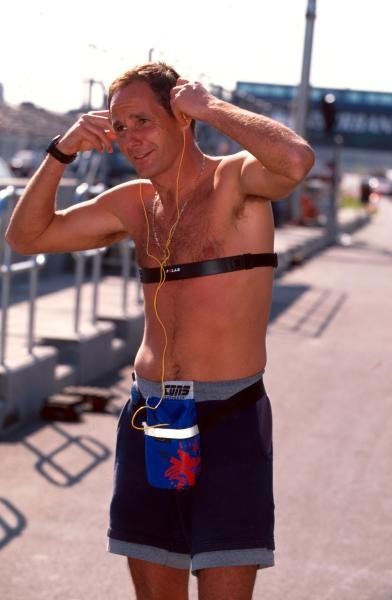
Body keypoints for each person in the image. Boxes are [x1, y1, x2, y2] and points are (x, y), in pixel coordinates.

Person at [6, 62, 314, 600]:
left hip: (231, 417)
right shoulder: (132, 203)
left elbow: (295, 160)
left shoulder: (236, 180)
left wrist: (212, 106)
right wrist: (62, 151)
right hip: (151, 413)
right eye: (120, 126)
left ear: (181, 118)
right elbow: (27, 237)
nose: (130, 138)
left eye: (142, 120)